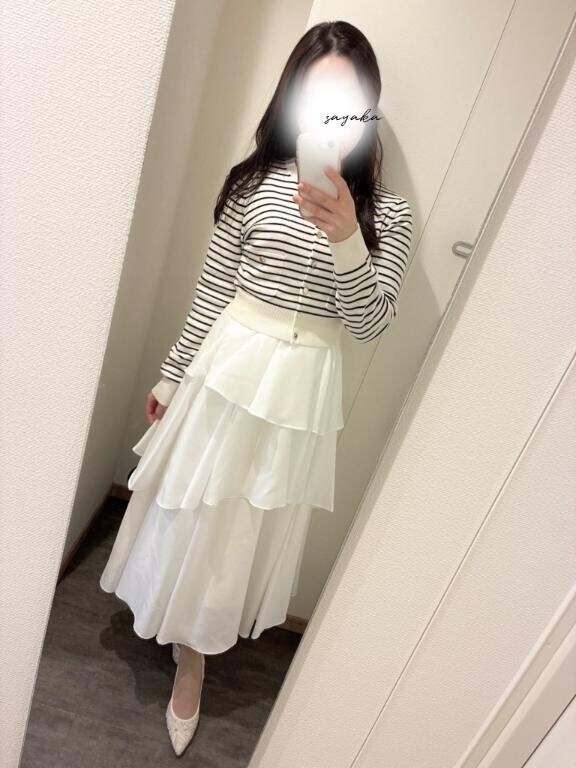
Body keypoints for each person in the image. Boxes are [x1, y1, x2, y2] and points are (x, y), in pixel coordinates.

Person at [99, 19, 413, 757]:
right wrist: (172, 372)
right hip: (228, 367)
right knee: (195, 510)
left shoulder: (388, 215)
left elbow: (369, 323)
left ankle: (195, 658)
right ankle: (181, 639)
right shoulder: (254, 184)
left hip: (301, 393)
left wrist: (347, 235)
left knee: (243, 528)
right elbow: (213, 288)